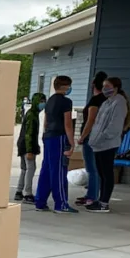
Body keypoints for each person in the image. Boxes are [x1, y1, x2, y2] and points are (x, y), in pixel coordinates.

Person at [83, 77, 130, 213]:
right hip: (98, 144)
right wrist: (94, 138)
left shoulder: (119, 102)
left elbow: (114, 126)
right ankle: (100, 199)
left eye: (108, 86)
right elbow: (98, 123)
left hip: (108, 144)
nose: (105, 89)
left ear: (116, 87)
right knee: (101, 173)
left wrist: (102, 137)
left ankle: (104, 203)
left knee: (106, 173)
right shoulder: (106, 102)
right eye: (104, 86)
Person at [34, 76, 77, 213]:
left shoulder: (50, 100)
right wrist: (71, 142)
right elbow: (68, 124)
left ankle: (40, 201)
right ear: (65, 86)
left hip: (48, 136)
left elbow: (46, 121)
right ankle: (61, 203)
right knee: (59, 170)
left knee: (46, 169)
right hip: (59, 137)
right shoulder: (66, 102)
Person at [75, 71, 109, 206]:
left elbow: (91, 120)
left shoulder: (96, 100)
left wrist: (82, 136)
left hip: (91, 137)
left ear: (93, 84)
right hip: (101, 137)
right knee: (96, 167)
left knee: (91, 168)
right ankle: (93, 194)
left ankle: (92, 196)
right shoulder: (106, 100)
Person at [15, 92, 45, 203]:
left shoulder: (31, 113)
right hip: (27, 145)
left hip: (22, 144)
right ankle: (27, 193)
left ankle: (19, 191)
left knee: (24, 169)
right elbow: (29, 133)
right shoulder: (32, 115)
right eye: (41, 101)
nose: (43, 104)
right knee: (30, 169)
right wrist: (29, 150)